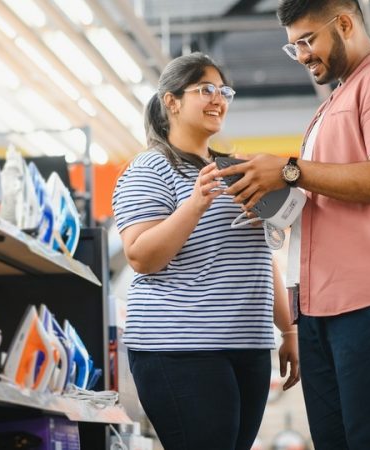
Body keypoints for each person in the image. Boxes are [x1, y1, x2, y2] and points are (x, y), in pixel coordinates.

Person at [214, 1, 370, 449]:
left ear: (344, 23)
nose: (301, 55)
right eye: (292, 45)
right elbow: (327, 193)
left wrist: (290, 171)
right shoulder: (335, 100)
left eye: (307, 40)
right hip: (319, 305)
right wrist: (270, 197)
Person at [111, 52, 300, 450]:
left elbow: (260, 257)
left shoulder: (234, 170)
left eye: (224, 90)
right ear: (171, 101)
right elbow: (142, 257)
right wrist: (194, 205)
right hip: (180, 348)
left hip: (246, 346)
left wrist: (289, 329)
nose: (219, 99)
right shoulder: (149, 169)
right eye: (206, 89)